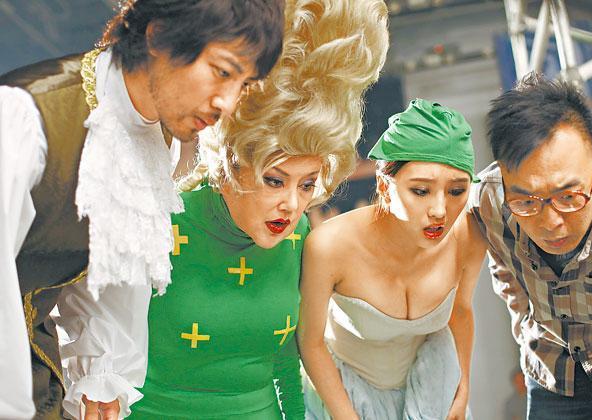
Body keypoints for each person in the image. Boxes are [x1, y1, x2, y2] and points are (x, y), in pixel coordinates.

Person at [58, 0, 390, 418]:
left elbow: (287, 364)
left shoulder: (300, 237)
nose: (292, 204)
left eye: (307, 185)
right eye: (275, 180)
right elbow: (92, 330)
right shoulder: (160, 221)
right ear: (231, 162)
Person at [0, 1, 285, 417]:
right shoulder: (23, 120)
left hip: (37, 374)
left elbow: (109, 271)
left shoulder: (155, 140)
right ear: (159, 35)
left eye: (244, 85)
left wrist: (100, 378)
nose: (227, 103)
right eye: (223, 72)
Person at [298, 99, 486, 420]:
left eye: (456, 191)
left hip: (433, 388)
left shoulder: (469, 235)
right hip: (345, 393)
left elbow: (461, 311)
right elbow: (310, 342)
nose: (440, 210)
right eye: (421, 191)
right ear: (385, 187)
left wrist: (464, 384)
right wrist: (347, 417)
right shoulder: (330, 245)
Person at [469, 73, 592, 419]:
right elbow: (505, 272)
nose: (550, 223)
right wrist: (525, 328)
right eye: (526, 202)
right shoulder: (488, 200)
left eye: (568, 197)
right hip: (555, 370)